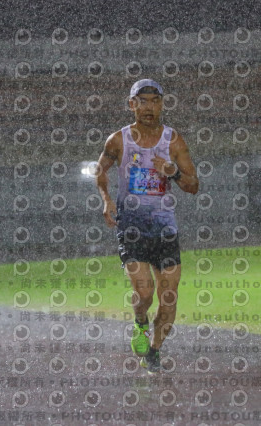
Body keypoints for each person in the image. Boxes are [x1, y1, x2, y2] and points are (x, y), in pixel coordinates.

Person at [95, 79, 199, 373]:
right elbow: (100, 170)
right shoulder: (118, 140)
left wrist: (172, 171)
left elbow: (193, 186)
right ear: (132, 104)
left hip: (165, 231)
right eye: (143, 101)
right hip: (132, 229)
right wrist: (106, 199)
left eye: (155, 101)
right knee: (144, 294)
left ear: (162, 104)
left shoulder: (173, 141)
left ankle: (154, 351)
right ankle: (140, 321)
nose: (149, 107)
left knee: (168, 299)